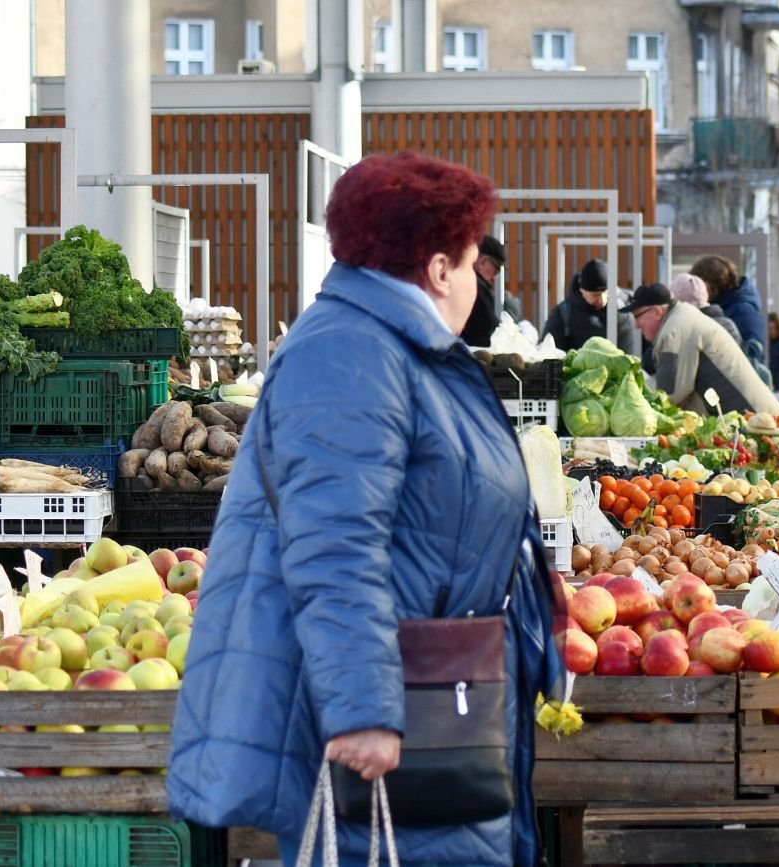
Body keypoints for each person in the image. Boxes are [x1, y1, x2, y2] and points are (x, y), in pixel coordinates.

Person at [167, 153, 562, 867]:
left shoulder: (399, 349)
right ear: (440, 269)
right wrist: (364, 712)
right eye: (474, 260)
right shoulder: (351, 353)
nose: (478, 280)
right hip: (390, 734)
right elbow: (334, 544)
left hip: (434, 706)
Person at [627, 282, 779, 415]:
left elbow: (669, 392)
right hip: (753, 416)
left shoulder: (675, 329)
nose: (635, 324)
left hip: (754, 421)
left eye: (637, 316)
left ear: (656, 311)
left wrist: (632, 394)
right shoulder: (682, 319)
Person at [542, 258, 636, 353]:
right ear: (581, 291)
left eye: (606, 292)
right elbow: (549, 353)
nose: (602, 300)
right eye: (595, 295)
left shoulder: (626, 307)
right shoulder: (563, 315)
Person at [691, 254, 767, 356]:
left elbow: (752, 352)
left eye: (700, 284)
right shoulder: (726, 304)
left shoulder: (743, 310)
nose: (697, 289)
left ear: (712, 286)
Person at [460, 234, 519, 346]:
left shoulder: (466, 284)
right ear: (483, 262)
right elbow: (488, 330)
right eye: (496, 270)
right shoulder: (477, 289)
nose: (494, 278)